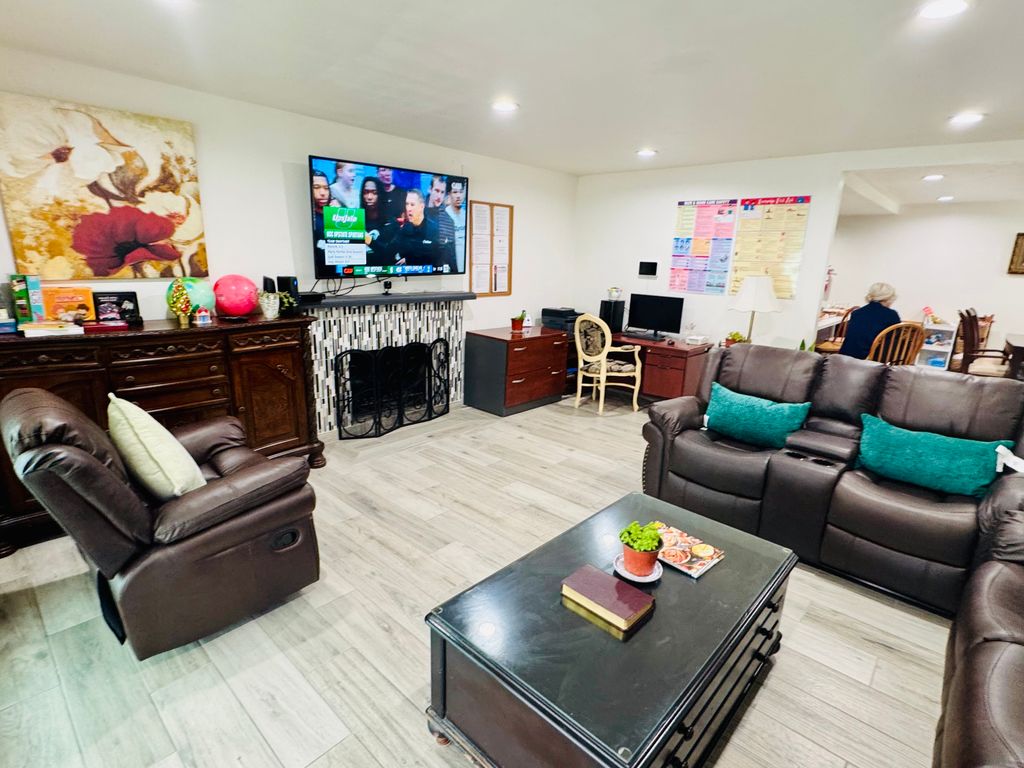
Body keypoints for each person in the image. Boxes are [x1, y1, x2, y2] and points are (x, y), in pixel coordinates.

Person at [394, 189, 456, 272]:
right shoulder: (404, 229)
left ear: (422, 206)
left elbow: (437, 258)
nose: (408, 208)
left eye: (412, 205)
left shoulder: (435, 230)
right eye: (407, 204)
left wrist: (410, 260)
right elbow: (391, 251)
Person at [838, 282, 901, 359]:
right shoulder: (891, 315)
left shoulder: (857, 313)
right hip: (869, 358)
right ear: (888, 299)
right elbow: (895, 336)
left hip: (845, 355)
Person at [360, 176, 396, 267]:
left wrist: (368, 239)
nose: (369, 197)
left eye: (374, 193)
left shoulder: (390, 222)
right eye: (366, 192)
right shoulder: (356, 221)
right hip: (359, 273)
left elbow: (389, 253)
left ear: (380, 195)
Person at [425, 174, 457, 271]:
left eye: (442, 192)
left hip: (436, 268)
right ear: (430, 189)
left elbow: (451, 254)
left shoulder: (448, 220)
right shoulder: (417, 210)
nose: (439, 196)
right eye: (437, 191)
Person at [445, 178, 467, 272]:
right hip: (450, 266)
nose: (458, 196)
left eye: (461, 192)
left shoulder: (465, 214)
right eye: (455, 192)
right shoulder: (444, 215)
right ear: (449, 194)